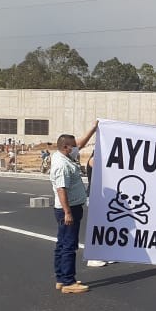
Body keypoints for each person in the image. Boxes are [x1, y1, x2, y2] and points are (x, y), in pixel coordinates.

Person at [50, 122, 98, 293]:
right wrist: (68, 212)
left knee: (62, 243)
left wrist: (94, 127)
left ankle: (61, 278)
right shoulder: (62, 165)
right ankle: (69, 283)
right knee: (69, 245)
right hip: (68, 209)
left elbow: (82, 143)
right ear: (65, 147)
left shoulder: (64, 155)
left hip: (68, 208)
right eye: (73, 146)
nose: (76, 147)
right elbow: (61, 190)